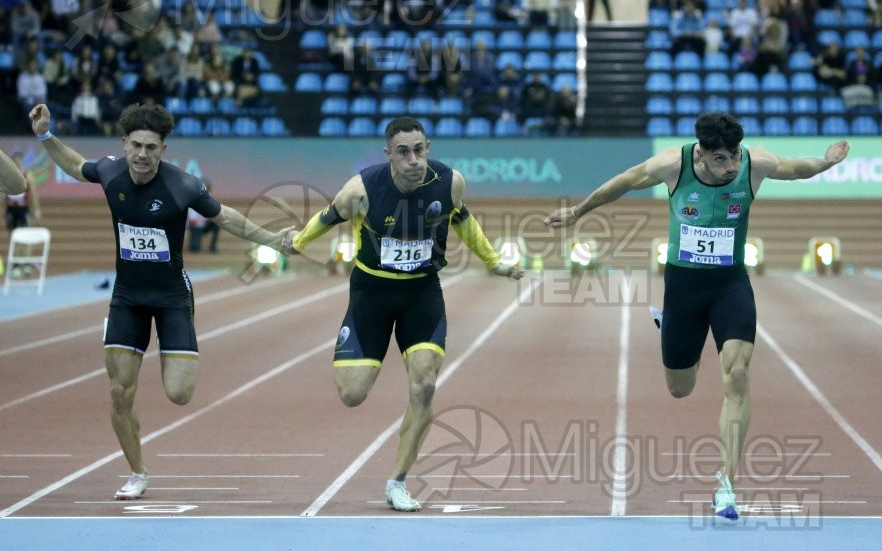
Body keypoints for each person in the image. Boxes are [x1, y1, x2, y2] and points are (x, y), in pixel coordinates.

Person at [544, 112, 850, 521]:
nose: (732, 167)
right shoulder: (674, 164)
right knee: (680, 387)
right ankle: (667, 323)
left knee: (737, 374)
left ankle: (726, 485)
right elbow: (624, 181)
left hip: (730, 285)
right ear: (702, 154)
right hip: (684, 289)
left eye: (736, 157)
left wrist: (826, 161)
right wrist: (578, 212)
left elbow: (798, 170)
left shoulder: (754, 165)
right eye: (722, 159)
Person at [27, 102, 292, 502]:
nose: (142, 155)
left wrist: (274, 240)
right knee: (119, 392)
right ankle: (137, 471)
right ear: (124, 143)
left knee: (179, 393)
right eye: (136, 145)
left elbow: (228, 219)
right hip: (128, 297)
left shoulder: (182, 185)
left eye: (151, 147)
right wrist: (46, 135)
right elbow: (75, 165)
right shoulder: (111, 170)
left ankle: (177, 342)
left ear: (163, 149)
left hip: (171, 296)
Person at [284, 116, 524, 511]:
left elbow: (462, 219)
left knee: (424, 386)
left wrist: (493, 261)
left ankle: (397, 481)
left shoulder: (449, 182)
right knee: (352, 394)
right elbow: (327, 217)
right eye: (403, 152)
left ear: (427, 148)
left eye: (420, 150)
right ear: (389, 155)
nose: (414, 159)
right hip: (371, 294)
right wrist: (298, 241)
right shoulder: (360, 190)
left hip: (421, 294)